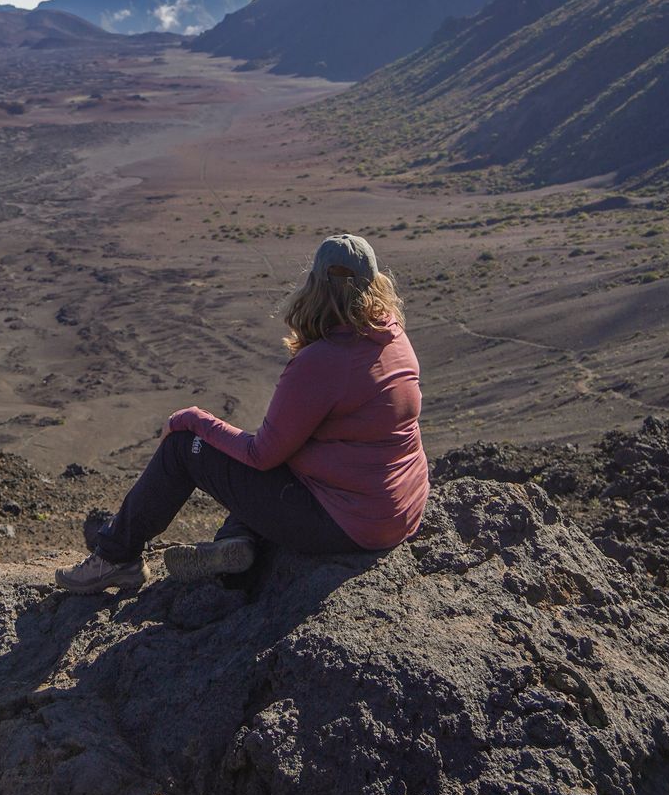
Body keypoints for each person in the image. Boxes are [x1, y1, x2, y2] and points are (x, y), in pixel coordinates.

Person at [55, 232, 429, 593]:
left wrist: (192, 420)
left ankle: (117, 558)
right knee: (277, 451)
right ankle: (237, 542)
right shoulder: (394, 336)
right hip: (399, 511)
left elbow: (260, 455)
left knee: (187, 448)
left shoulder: (322, 362)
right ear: (375, 284)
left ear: (313, 286)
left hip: (347, 523)